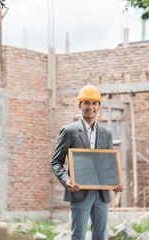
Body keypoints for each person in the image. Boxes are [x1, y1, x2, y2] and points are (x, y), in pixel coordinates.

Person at [50, 85, 124, 240]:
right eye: (87, 103)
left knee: (100, 237)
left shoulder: (106, 133)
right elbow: (56, 162)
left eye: (94, 103)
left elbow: (108, 163)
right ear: (80, 105)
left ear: (99, 106)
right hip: (79, 191)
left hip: (102, 193)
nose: (91, 107)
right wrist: (67, 181)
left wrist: (115, 183)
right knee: (78, 236)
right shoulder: (69, 131)